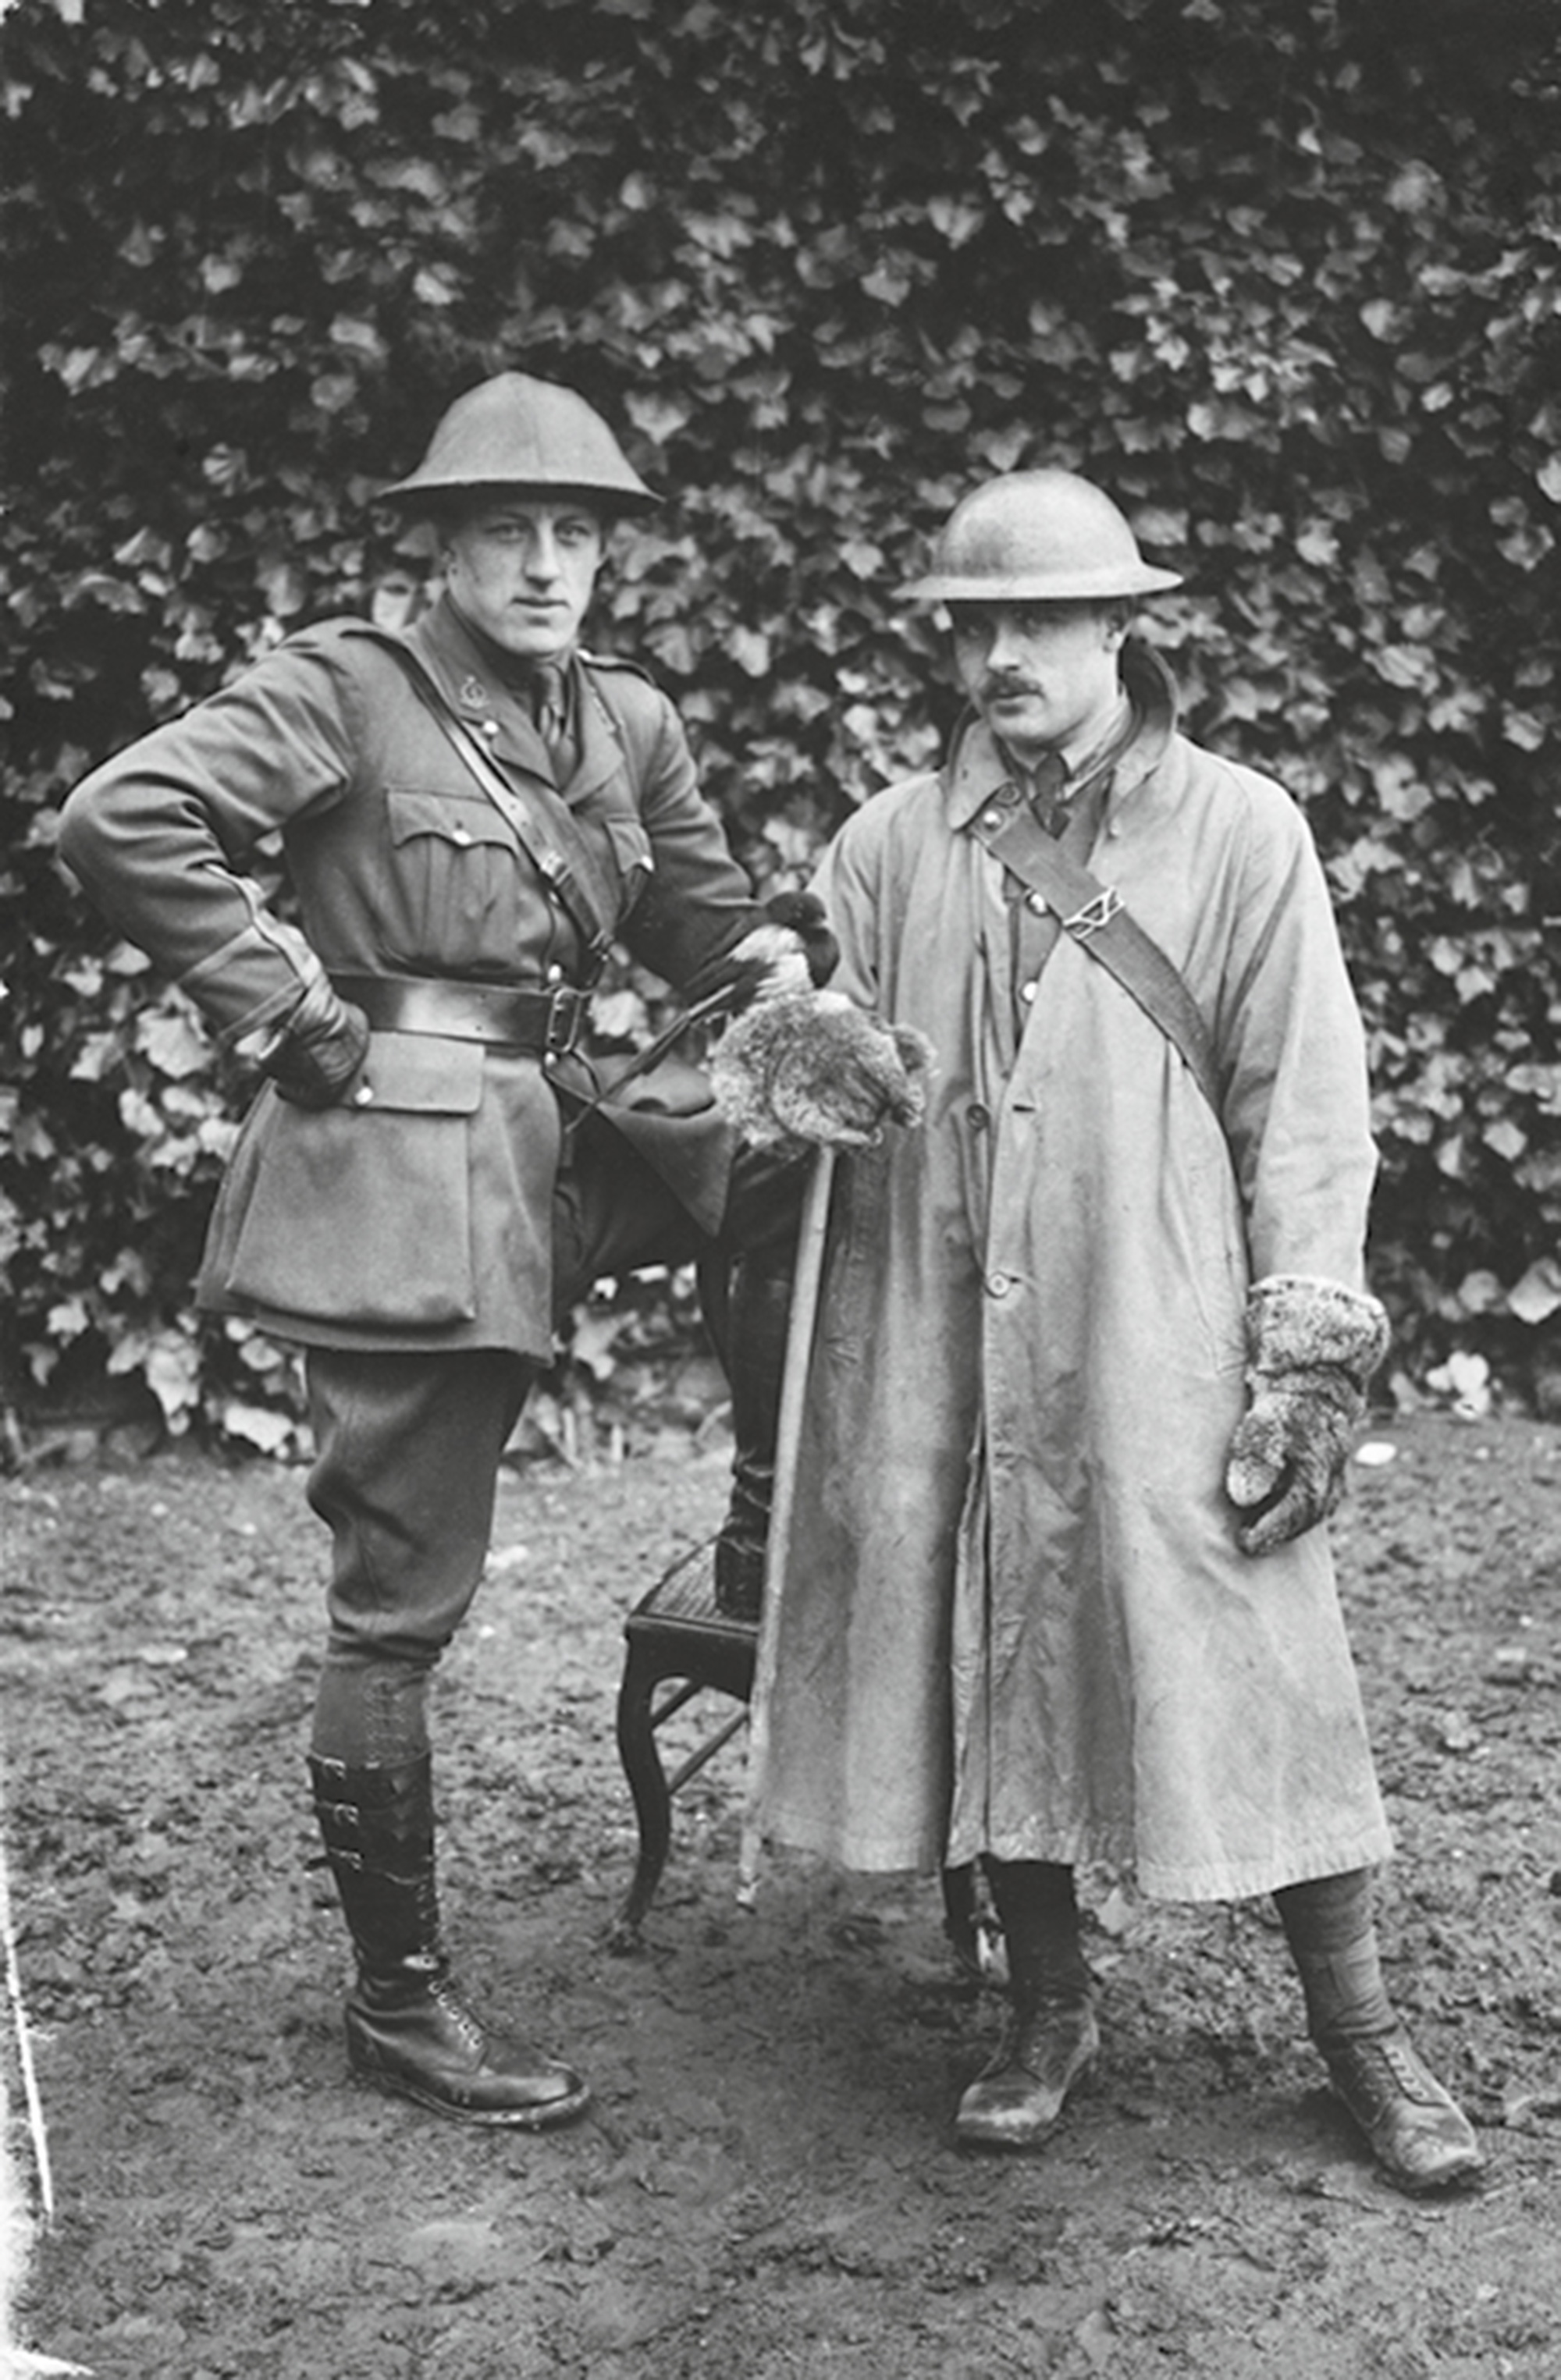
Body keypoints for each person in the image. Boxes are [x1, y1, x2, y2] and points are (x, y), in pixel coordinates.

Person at [58, 371, 919, 2130]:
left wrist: (767, 950)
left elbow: (689, 905)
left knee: (789, 1162)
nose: (545, 566)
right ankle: (399, 2003)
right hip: (398, 1164)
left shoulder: (623, 718)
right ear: (440, 545)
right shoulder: (346, 692)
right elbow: (119, 821)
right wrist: (290, 1013)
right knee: (401, 1603)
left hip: (554, 1137)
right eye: (508, 532)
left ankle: (761, 1532)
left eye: (576, 535)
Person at [738, 467, 1485, 2196]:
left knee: (1253, 1640)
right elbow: (807, 1037)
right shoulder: (882, 840)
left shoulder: (1238, 829)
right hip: (935, 1316)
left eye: (1034, 620)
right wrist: (795, 1037)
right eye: (970, 625)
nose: (998, 653)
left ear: (1117, 628)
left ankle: (1360, 2029)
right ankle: (1045, 2005)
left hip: (1152, 1309)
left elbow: (1304, 1102)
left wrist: (1301, 1356)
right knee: (985, 1621)